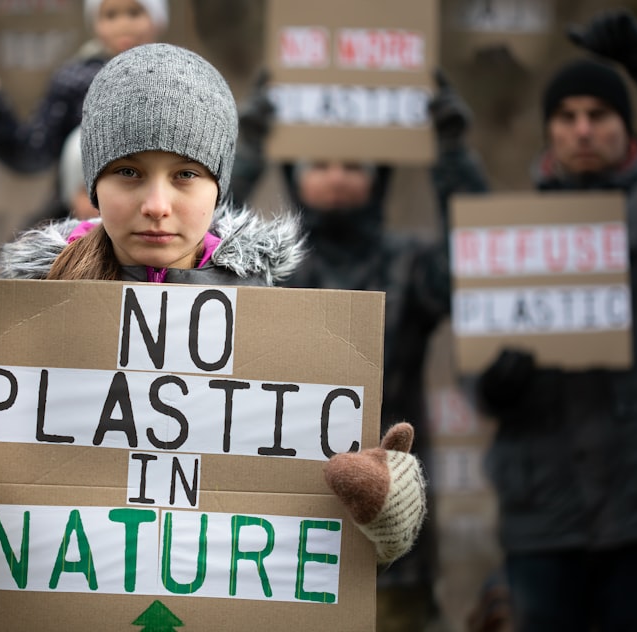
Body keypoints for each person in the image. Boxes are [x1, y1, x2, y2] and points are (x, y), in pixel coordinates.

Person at [0, 43, 429, 599]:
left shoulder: (276, 325)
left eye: (184, 175)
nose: (156, 202)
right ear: (93, 182)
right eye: (128, 171)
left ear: (218, 186)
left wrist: (384, 515)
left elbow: (314, 562)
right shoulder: (32, 322)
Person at [231, 72, 488, 630]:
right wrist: (248, 148)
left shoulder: (411, 265)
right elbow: (199, 257)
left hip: (394, 537)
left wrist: (449, 150)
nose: (337, 177)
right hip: (281, 535)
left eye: (353, 165)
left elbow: (479, 249)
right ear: (296, 177)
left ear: (378, 178)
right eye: (320, 164)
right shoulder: (270, 268)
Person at [473, 9, 637, 631]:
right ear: (549, 133)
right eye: (566, 117)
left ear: (627, 127)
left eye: (597, 115)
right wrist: (493, 384)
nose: (582, 129)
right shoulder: (510, 234)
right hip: (545, 509)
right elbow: (479, 353)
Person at [0, 0, 167, 175]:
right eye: (110, 15)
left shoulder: (174, 78)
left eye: (134, 13)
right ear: (95, 23)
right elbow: (32, 152)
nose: (123, 25)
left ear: (157, 18)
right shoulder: (73, 81)